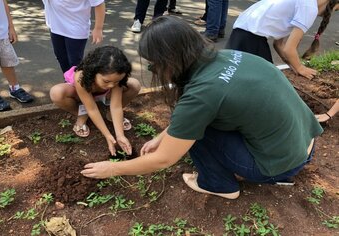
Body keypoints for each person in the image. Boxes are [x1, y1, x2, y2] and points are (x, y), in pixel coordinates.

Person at [81, 16, 323, 200]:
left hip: (280, 164)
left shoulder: (201, 95)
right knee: (197, 122)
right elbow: (205, 109)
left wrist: (112, 169)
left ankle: (218, 185)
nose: (154, 70)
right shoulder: (229, 56)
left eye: (154, 65)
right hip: (305, 144)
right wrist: (162, 135)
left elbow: (163, 159)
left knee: (198, 131)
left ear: (170, 61)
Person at [50, 46, 141, 156]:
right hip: (81, 95)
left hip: (105, 95)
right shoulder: (81, 77)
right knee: (56, 93)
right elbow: (92, 108)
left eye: (116, 81)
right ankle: (82, 114)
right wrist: (108, 135)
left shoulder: (115, 79)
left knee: (134, 84)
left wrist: (120, 136)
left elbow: (116, 106)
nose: (111, 85)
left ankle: (110, 115)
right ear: (93, 71)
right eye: (106, 81)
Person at [225, 0, 339, 80]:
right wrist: (300, 68)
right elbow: (289, 49)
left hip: (242, 32)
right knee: (267, 82)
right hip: (250, 37)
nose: (331, 13)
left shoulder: (304, 3)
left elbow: (279, 44)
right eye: (336, 9)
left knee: (234, 76)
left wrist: (292, 65)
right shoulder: (309, 8)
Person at [0, 0, 33, 112]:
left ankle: (15, 88)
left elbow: (3, 3)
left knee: (8, 61)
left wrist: (11, 27)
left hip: (2, 31)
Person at [42, 0, 106, 73]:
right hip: (56, 25)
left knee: (75, 62)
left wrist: (98, 28)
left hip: (75, 28)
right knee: (61, 57)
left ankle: (79, 82)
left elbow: (99, 4)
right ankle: (69, 80)